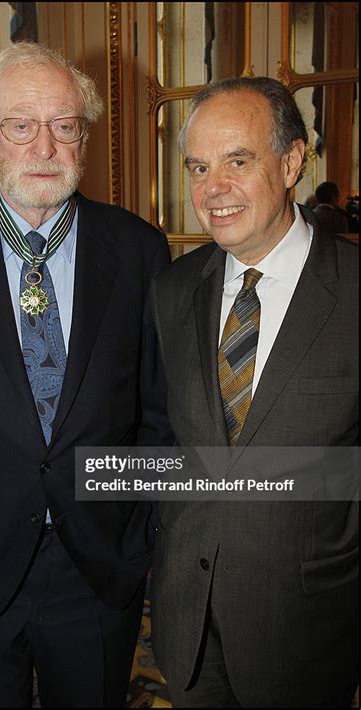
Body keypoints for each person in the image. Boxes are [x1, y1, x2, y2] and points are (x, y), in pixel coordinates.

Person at [0, 42, 172, 708]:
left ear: (84, 136)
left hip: (97, 572)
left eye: (65, 125)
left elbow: (158, 413)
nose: (44, 146)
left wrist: (139, 534)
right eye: (21, 125)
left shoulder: (137, 249)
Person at [149, 77, 359, 707]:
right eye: (198, 166)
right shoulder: (172, 290)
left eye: (237, 161)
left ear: (292, 161)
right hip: (189, 626)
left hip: (308, 628)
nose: (213, 189)